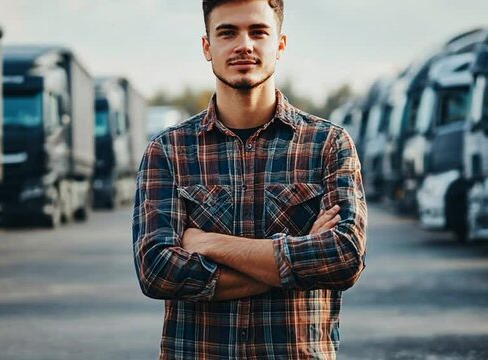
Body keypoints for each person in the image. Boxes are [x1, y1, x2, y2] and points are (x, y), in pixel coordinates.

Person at [132, 0, 367, 358]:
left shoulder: (328, 144)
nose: (244, 44)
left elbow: (344, 258)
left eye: (258, 31)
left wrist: (210, 243)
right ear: (207, 47)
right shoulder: (169, 150)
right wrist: (300, 256)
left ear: (280, 45)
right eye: (228, 32)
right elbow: (158, 271)